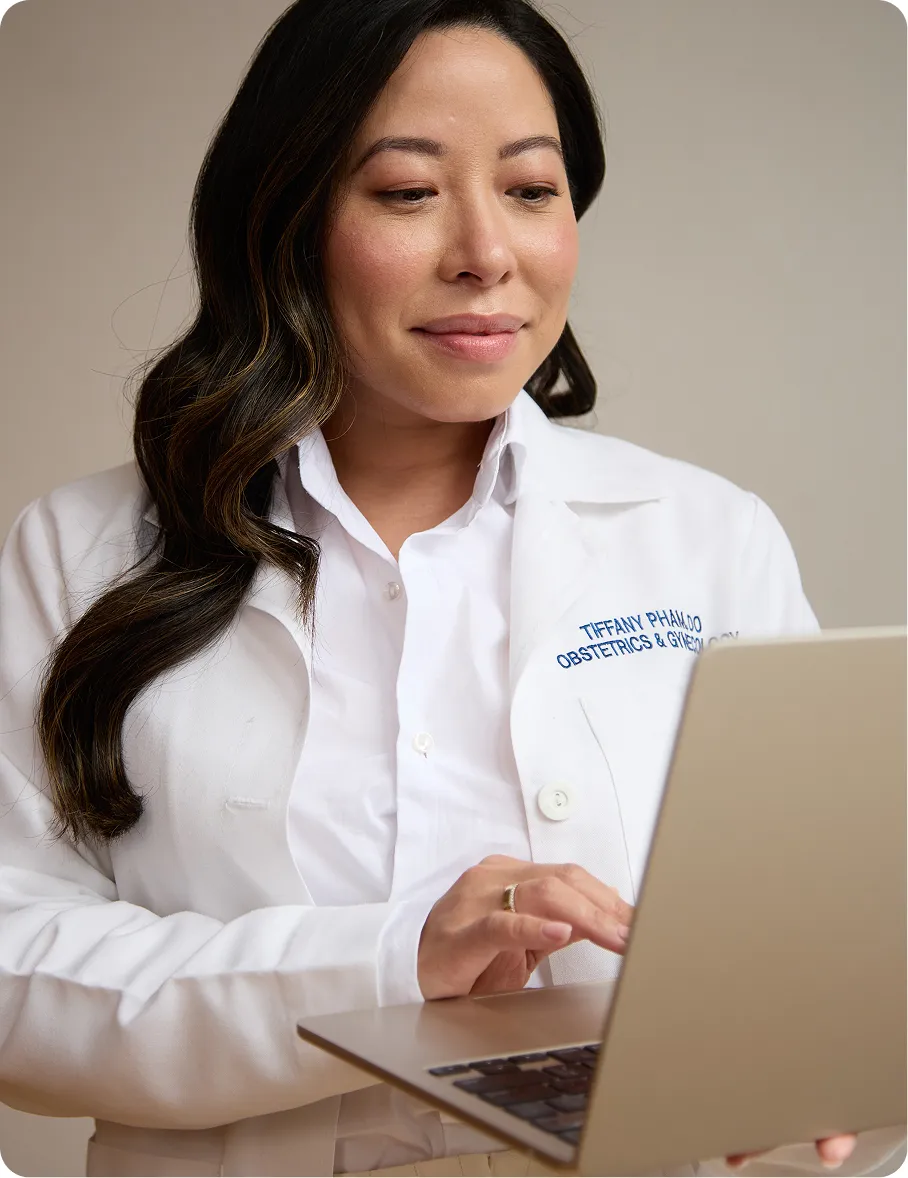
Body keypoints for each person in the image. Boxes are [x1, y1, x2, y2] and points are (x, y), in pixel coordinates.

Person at [0, 1, 902, 1176]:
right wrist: (390, 960)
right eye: (407, 192)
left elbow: (818, 939)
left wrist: (815, 1054)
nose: (487, 251)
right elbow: (18, 975)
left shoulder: (703, 538)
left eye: (530, 190)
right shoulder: (80, 552)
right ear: (286, 220)